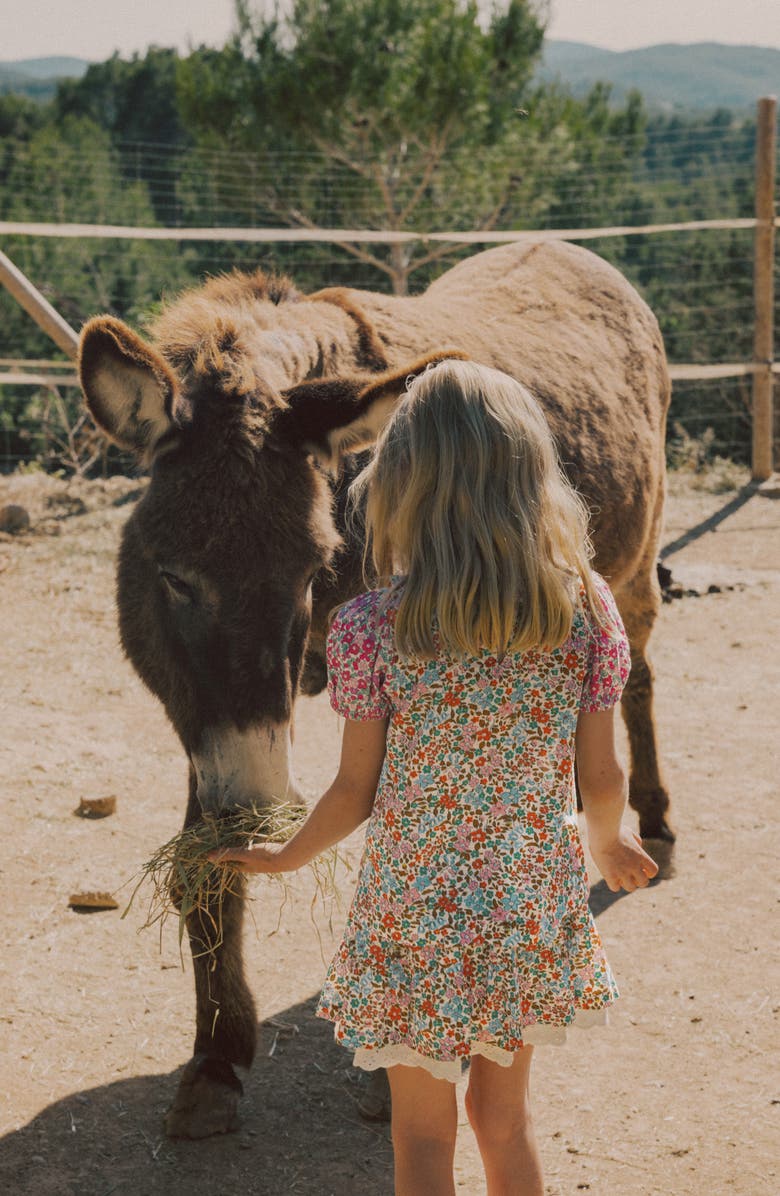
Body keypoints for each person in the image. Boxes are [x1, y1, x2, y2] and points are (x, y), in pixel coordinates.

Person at [210, 360, 659, 1196]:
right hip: (527, 901)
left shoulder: (374, 628)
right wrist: (610, 842)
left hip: (414, 913)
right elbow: (601, 774)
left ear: (403, 484)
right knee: (506, 1123)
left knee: (421, 1135)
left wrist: (284, 857)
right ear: (532, 479)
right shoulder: (585, 608)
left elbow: (354, 792)